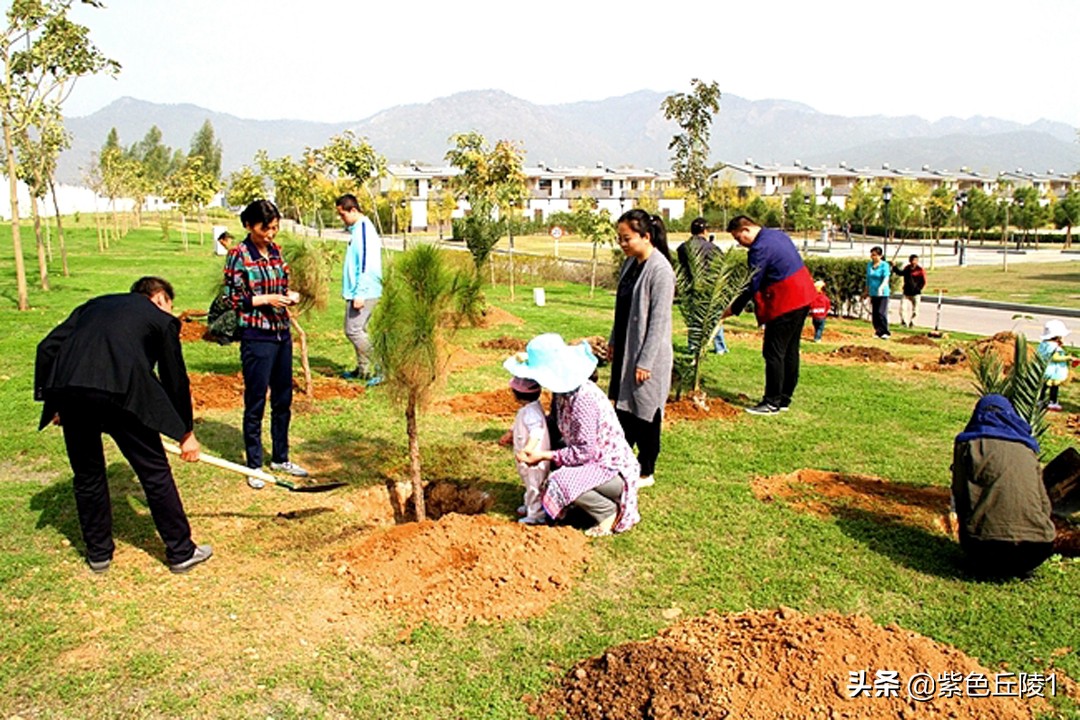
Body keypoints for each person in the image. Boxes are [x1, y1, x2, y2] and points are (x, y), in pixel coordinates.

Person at [34, 277, 212, 574]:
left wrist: (55, 402)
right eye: (170, 305)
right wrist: (186, 433)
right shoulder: (160, 319)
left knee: (88, 475)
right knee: (154, 472)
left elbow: (48, 347)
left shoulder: (93, 305)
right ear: (159, 298)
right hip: (123, 396)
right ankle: (181, 551)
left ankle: (98, 554)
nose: (170, 312)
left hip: (71, 392)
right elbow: (174, 379)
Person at [507, 334, 641, 537]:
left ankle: (606, 511)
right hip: (593, 461)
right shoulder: (562, 392)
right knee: (555, 461)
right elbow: (554, 422)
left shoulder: (583, 401)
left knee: (560, 481)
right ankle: (574, 503)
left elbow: (584, 453)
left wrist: (544, 455)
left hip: (611, 469)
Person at [224, 199, 307, 489]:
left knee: (283, 398)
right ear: (249, 225)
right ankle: (254, 464)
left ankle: (280, 457)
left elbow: (280, 286)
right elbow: (232, 299)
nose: (270, 234)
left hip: (281, 333)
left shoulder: (275, 251)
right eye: (265, 229)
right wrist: (264, 300)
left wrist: (289, 295)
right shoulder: (239, 255)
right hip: (256, 336)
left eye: (274, 228)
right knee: (256, 400)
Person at [951, 394, 1056, 579]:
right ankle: (1019, 568)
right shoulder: (1027, 448)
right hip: (1038, 549)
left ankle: (982, 564)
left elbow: (960, 494)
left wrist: (967, 529)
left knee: (982, 538)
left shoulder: (968, 444)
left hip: (986, 549)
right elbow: (1044, 503)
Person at [607, 209, 675, 488]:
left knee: (646, 411)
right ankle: (623, 462)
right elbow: (621, 309)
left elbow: (658, 323)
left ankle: (647, 470)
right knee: (623, 408)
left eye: (627, 239)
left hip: (648, 356)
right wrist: (613, 340)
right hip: (626, 347)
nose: (622, 244)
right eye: (619, 239)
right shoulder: (630, 264)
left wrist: (645, 362)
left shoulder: (660, 270)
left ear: (646, 237)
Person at [723, 215, 817, 415]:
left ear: (746, 229)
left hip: (785, 302)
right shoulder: (776, 235)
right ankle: (784, 399)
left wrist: (733, 309)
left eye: (738, 238)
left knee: (773, 352)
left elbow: (752, 283)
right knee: (790, 350)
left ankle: (771, 401)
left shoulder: (759, 249)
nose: (739, 244)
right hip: (803, 297)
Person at [336, 193, 383, 384]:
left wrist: (360, 293)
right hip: (358, 289)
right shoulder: (357, 229)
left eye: (343, 215)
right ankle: (362, 370)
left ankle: (383, 366)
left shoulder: (364, 229)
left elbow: (365, 263)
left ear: (353, 210)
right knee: (359, 329)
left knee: (353, 330)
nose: (341, 219)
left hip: (365, 291)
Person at [676, 217, 726, 354]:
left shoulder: (683, 247)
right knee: (714, 316)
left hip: (691, 286)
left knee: (694, 318)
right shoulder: (713, 248)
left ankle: (693, 346)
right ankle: (720, 347)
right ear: (705, 230)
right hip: (709, 286)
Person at [508, 377, 551, 525]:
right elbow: (518, 424)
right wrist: (509, 433)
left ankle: (536, 515)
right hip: (527, 458)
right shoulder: (528, 409)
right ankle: (529, 505)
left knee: (534, 485)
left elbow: (536, 432)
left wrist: (528, 450)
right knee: (528, 482)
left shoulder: (531, 412)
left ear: (516, 395)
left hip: (534, 459)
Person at [1037, 319, 1072, 411]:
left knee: (1044, 386)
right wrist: (1068, 357)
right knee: (1054, 386)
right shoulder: (1053, 346)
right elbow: (1055, 357)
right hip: (1053, 371)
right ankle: (1053, 402)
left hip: (1045, 369)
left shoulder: (1044, 344)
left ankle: (1040, 400)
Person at [864, 246, 891, 339]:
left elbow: (886, 278)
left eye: (875, 255)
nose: (873, 257)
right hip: (873, 292)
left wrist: (881, 287)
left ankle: (885, 331)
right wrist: (866, 291)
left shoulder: (885, 265)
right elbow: (868, 279)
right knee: (875, 313)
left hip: (883, 293)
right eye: (872, 255)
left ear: (880, 256)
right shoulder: (869, 265)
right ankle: (878, 331)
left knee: (881, 312)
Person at [898, 254, 926, 328]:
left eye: (916, 260)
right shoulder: (907, 268)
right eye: (913, 260)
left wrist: (918, 288)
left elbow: (923, 281)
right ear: (910, 261)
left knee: (916, 310)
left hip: (916, 293)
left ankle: (912, 323)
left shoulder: (920, 270)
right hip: (906, 292)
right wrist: (894, 267)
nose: (914, 262)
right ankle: (904, 322)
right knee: (902, 308)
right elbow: (901, 273)